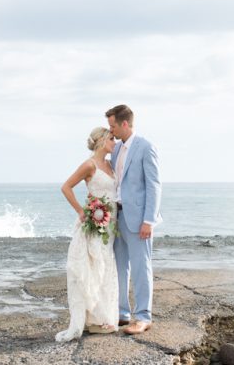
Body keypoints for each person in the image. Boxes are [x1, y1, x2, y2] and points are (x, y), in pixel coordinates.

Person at [55, 127, 120, 342]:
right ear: (101, 141)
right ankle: (96, 319)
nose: (115, 141)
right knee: (93, 267)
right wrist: (81, 211)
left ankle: (99, 318)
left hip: (110, 225)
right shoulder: (89, 164)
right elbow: (66, 187)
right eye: (111, 138)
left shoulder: (110, 164)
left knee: (105, 267)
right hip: (94, 224)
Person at [106, 104, 162, 335]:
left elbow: (154, 185)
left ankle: (143, 317)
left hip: (139, 219)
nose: (111, 131)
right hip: (117, 217)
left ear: (125, 123)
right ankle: (122, 313)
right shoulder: (117, 149)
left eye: (113, 126)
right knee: (119, 267)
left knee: (141, 267)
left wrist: (149, 220)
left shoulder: (145, 147)